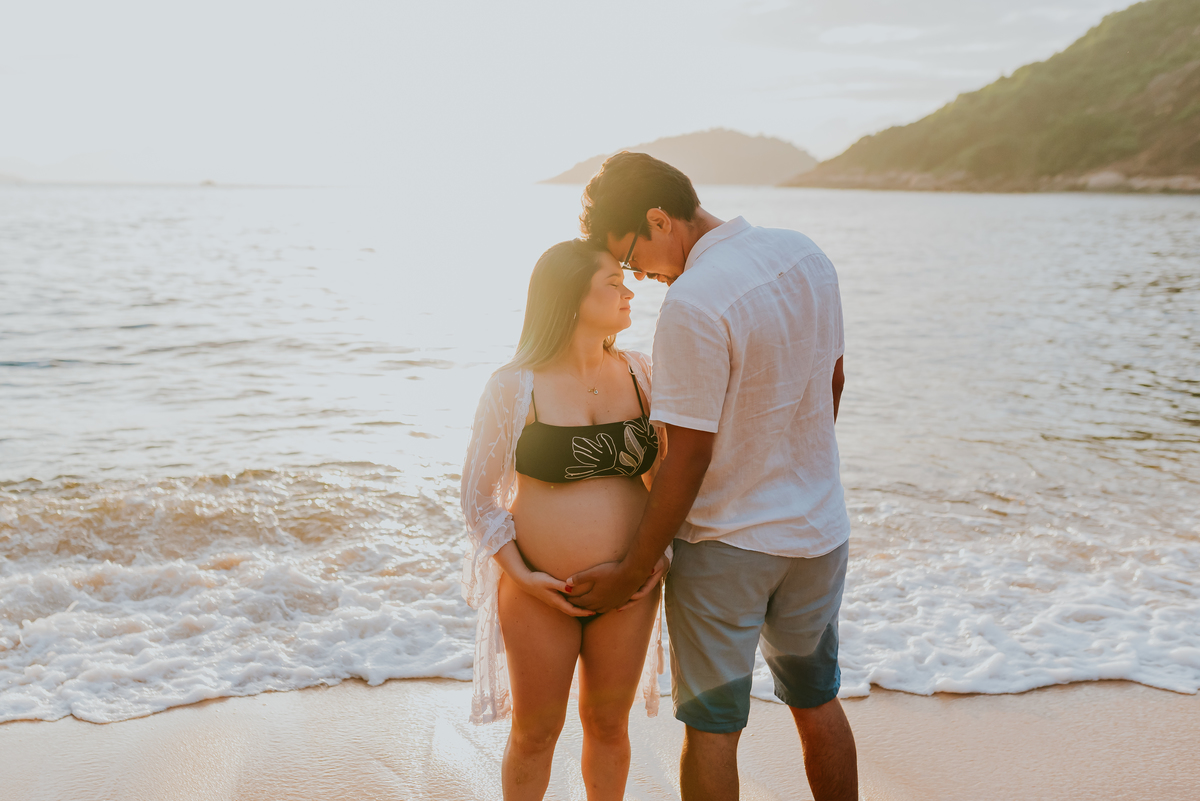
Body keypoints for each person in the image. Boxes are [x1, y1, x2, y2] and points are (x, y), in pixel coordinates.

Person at [567, 153, 858, 801]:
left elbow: (686, 456)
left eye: (637, 259)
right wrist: (793, 465)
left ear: (659, 218)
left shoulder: (695, 301)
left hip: (727, 550)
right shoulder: (804, 254)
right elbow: (832, 380)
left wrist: (633, 567)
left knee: (713, 729)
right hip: (817, 534)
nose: (643, 275)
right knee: (818, 702)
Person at [459, 239, 671, 800]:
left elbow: (669, 483)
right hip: (538, 592)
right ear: (571, 297)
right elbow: (477, 498)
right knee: (535, 734)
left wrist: (656, 558)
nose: (629, 291)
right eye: (612, 282)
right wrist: (522, 575)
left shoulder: (643, 374)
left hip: (630, 587)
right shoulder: (514, 385)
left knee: (608, 726)